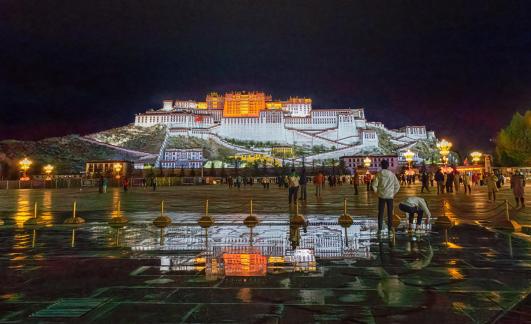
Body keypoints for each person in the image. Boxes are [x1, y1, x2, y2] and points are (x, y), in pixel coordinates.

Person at [372, 160, 401, 236]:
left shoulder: (378, 174)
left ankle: (380, 227)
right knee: (390, 212)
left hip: (381, 196)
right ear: (388, 166)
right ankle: (390, 227)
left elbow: (374, 185)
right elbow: (397, 186)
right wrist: (393, 193)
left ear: (381, 166)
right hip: (390, 196)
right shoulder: (392, 174)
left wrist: (377, 192)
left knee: (380, 212)